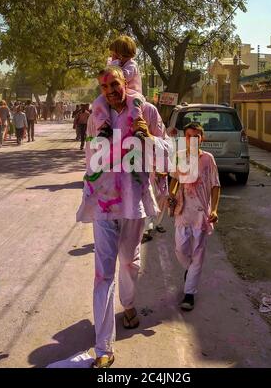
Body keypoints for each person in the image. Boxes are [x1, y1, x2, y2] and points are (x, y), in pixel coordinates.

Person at [76, 65, 172, 368]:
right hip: (105, 203)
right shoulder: (96, 118)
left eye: (114, 84)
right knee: (102, 274)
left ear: (125, 82)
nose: (111, 91)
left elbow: (170, 152)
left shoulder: (148, 111)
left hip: (134, 202)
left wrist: (149, 139)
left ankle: (128, 303)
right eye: (104, 87)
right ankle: (103, 347)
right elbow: (91, 160)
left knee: (129, 262)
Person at [169, 122, 220, 311]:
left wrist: (214, 209)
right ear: (185, 138)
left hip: (200, 214)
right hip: (182, 211)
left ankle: (189, 293)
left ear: (202, 138)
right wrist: (171, 194)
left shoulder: (208, 159)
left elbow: (216, 186)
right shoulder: (180, 157)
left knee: (198, 254)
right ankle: (190, 271)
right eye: (189, 135)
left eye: (197, 135)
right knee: (180, 249)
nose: (193, 139)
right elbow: (174, 178)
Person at [92, 36, 145, 139]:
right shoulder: (117, 64)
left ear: (119, 55)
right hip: (118, 94)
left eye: (113, 54)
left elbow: (122, 77)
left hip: (132, 94)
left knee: (134, 105)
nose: (111, 56)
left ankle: (138, 127)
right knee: (98, 102)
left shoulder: (131, 64)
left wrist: (115, 64)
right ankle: (104, 126)